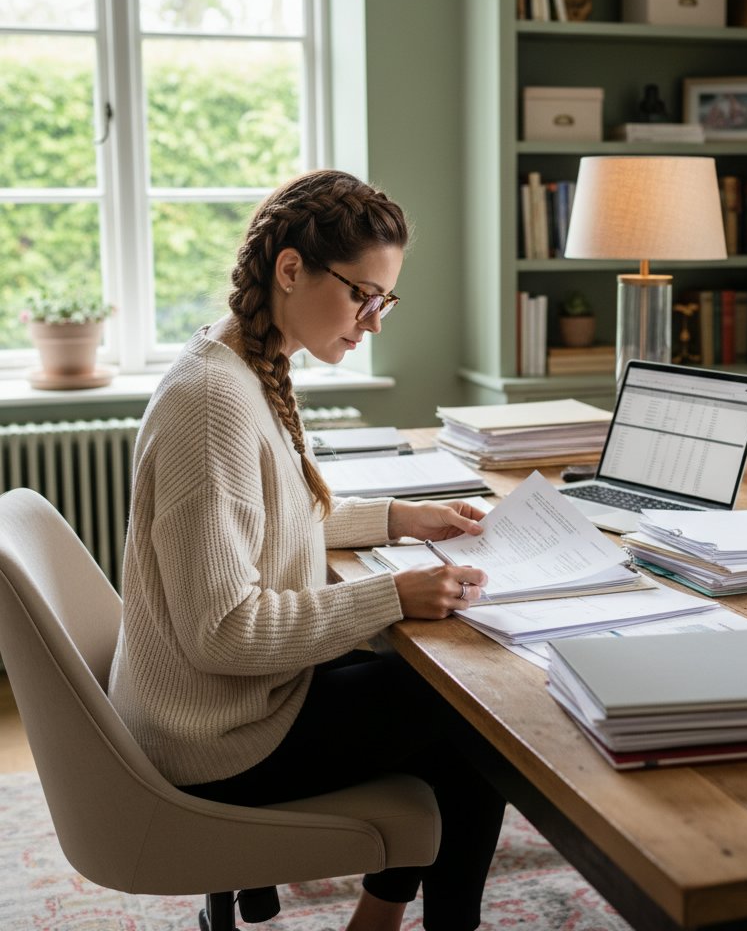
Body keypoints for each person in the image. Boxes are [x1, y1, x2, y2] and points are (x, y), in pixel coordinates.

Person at [108, 169, 507, 931]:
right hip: (212, 740)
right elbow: (223, 630)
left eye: (384, 299)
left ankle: (380, 918)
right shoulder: (212, 404)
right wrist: (394, 595)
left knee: (426, 689)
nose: (374, 320)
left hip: (216, 706)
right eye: (363, 295)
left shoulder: (241, 363)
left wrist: (399, 519)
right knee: (468, 715)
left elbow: (270, 524)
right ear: (291, 268)